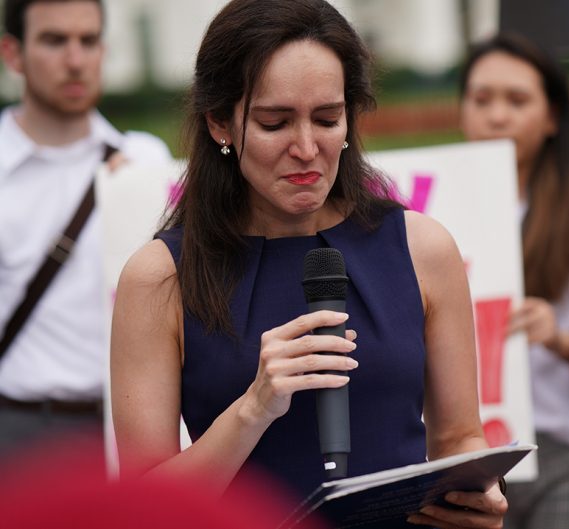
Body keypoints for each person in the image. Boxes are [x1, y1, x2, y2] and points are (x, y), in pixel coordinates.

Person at [110, 0, 507, 527]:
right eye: (275, 123)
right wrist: (254, 407)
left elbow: (459, 437)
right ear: (219, 123)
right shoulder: (160, 278)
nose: (306, 148)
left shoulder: (422, 248)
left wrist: (479, 500)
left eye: (327, 119)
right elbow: (141, 509)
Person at [459, 33, 569, 529]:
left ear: (553, 116)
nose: (497, 116)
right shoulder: (425, 209)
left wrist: (561, 339)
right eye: (482, 99)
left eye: (517, 100)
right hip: (471, 458)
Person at [0, 0, 172, 458]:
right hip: (24, 429)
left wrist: (134, 193)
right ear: (12, 54)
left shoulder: (145, 159)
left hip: (137, 424)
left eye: (88, 40)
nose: (75, 60)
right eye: (54, 41)